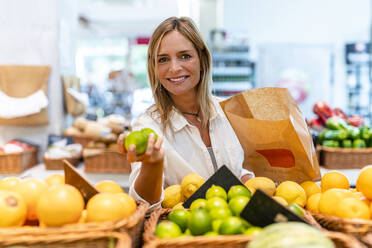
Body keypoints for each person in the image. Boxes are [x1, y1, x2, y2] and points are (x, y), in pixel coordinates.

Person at [117, 16, 254, 211]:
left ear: (202, 59)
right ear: (154, 68)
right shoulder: (148, 125)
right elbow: (144, 205)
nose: (174, 68)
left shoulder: (230, 111)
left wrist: (250, 179)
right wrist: (152, 165)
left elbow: (243, 170)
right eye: (163, 59)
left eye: (185, 56)